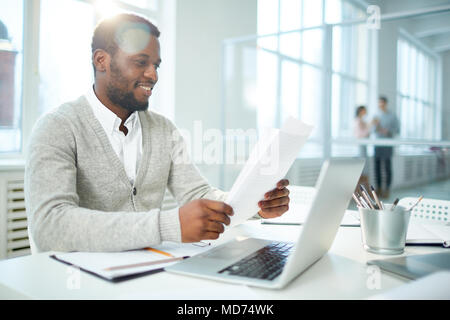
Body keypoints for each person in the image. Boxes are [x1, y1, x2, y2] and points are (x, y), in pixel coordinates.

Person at [24, 14, 290, 252]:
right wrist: (167, 225)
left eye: (156, 65)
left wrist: (254, 204)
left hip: (149, 269)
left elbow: (196, 192)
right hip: (77, 281)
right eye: (141, 62)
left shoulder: (163, 129)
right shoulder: (57, 127)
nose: (152, 75)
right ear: (101, 61)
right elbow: (50, 227)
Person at [372, 96, 399, 199]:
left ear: (386, 103)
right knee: (377, 167)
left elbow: (397, 129)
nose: (380, 105)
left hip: (387, 144)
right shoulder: (376, 115)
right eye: (379, 103)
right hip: (377, 144)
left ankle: (387, 189)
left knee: (387, 168)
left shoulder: (392, 116)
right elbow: (372, 130)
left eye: (382, 103)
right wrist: (375, 126)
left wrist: (387, 131)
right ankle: (378, 189)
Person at [353, 105, 371, 191]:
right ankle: (362, 192)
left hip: (363, 148)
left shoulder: (362, 121)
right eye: (364, 110)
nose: (366, 112)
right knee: (362, 172)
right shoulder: (358, 121)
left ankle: (365, 192)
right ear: (360, 111)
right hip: (360, 148)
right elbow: (361, 135)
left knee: (364, 172)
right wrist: (369, 126)